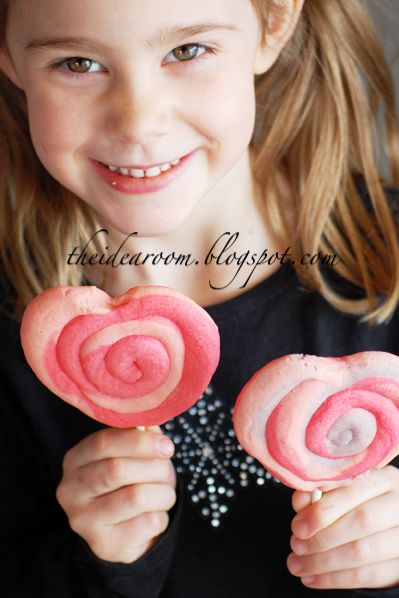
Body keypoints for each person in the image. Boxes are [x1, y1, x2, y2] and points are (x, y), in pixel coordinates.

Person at [0, 0, 399, 596]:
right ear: (8, 56)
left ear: (273, 22)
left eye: (187, 51)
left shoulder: (388, 258)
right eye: (77, 62)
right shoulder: (14, 336)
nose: (138, 122)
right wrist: (100, 561)